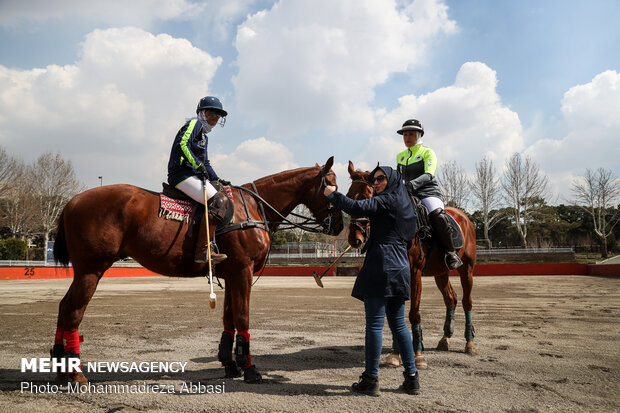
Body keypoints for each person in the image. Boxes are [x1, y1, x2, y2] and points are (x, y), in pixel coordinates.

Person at [324, 166, 420, 396]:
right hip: (400, 267)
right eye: (373, 179)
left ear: (392, 180)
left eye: (380, 179)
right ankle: (412, 378)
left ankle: (371, 379)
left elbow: (356, 206)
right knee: (399, 325)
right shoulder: (404, 203)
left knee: (375, 325)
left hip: (381, 264)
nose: (375, 182)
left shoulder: (386, 200)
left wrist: (333, 194)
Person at [167, 96, 231, 263]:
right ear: (202, 113)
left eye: (218, 115)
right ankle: (202, 250)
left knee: (220, 192)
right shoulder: (194, 124)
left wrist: (217, 179)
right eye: (211, 113)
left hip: (192, 174)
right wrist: (197, 165)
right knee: (218, 201)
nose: (215, 118)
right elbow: (182, 144)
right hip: (181, 174)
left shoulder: (205, 136)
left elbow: (206, 162)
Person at [396, 118, 463, 270]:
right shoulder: (400, 156)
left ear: (419, 135)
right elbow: (398, 178)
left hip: (428, 193)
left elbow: (429, 174)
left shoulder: (427, 152)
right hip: (407, 194)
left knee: (437, 214)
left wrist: (412, 184)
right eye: (405, 135)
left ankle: (451, 253)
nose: (407, 138)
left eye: (411, 134)